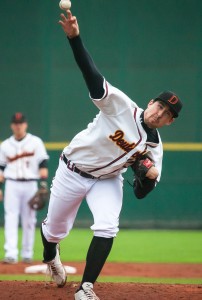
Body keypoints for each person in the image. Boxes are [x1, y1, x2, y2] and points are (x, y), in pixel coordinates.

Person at [40, 10, 183, 300]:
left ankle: (86, 288)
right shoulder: (121, 105)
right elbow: (91, 74)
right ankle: (51, 257)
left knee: (107, 226)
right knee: (54, 231)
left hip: (107, 180)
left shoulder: (155, 149)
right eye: (159, 106)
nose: (160, 113)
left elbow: (142, 193)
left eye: (167, 114)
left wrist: (145, 176)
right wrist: (75, 39)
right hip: (72, 170)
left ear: (170, 122)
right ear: (150, 102)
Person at [0, 112, 49, 264]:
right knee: (10, 218)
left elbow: (43, 163)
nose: (18, 125)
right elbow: (1, 168)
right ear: (12, 125)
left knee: (29, 220)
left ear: (25, 124)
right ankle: (11, 254)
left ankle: (27, 253)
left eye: (20, 123)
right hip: (12, 184)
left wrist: (42, 184)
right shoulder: (6, 145)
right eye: (15, 123)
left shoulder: (35, 142)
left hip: (30, 184)